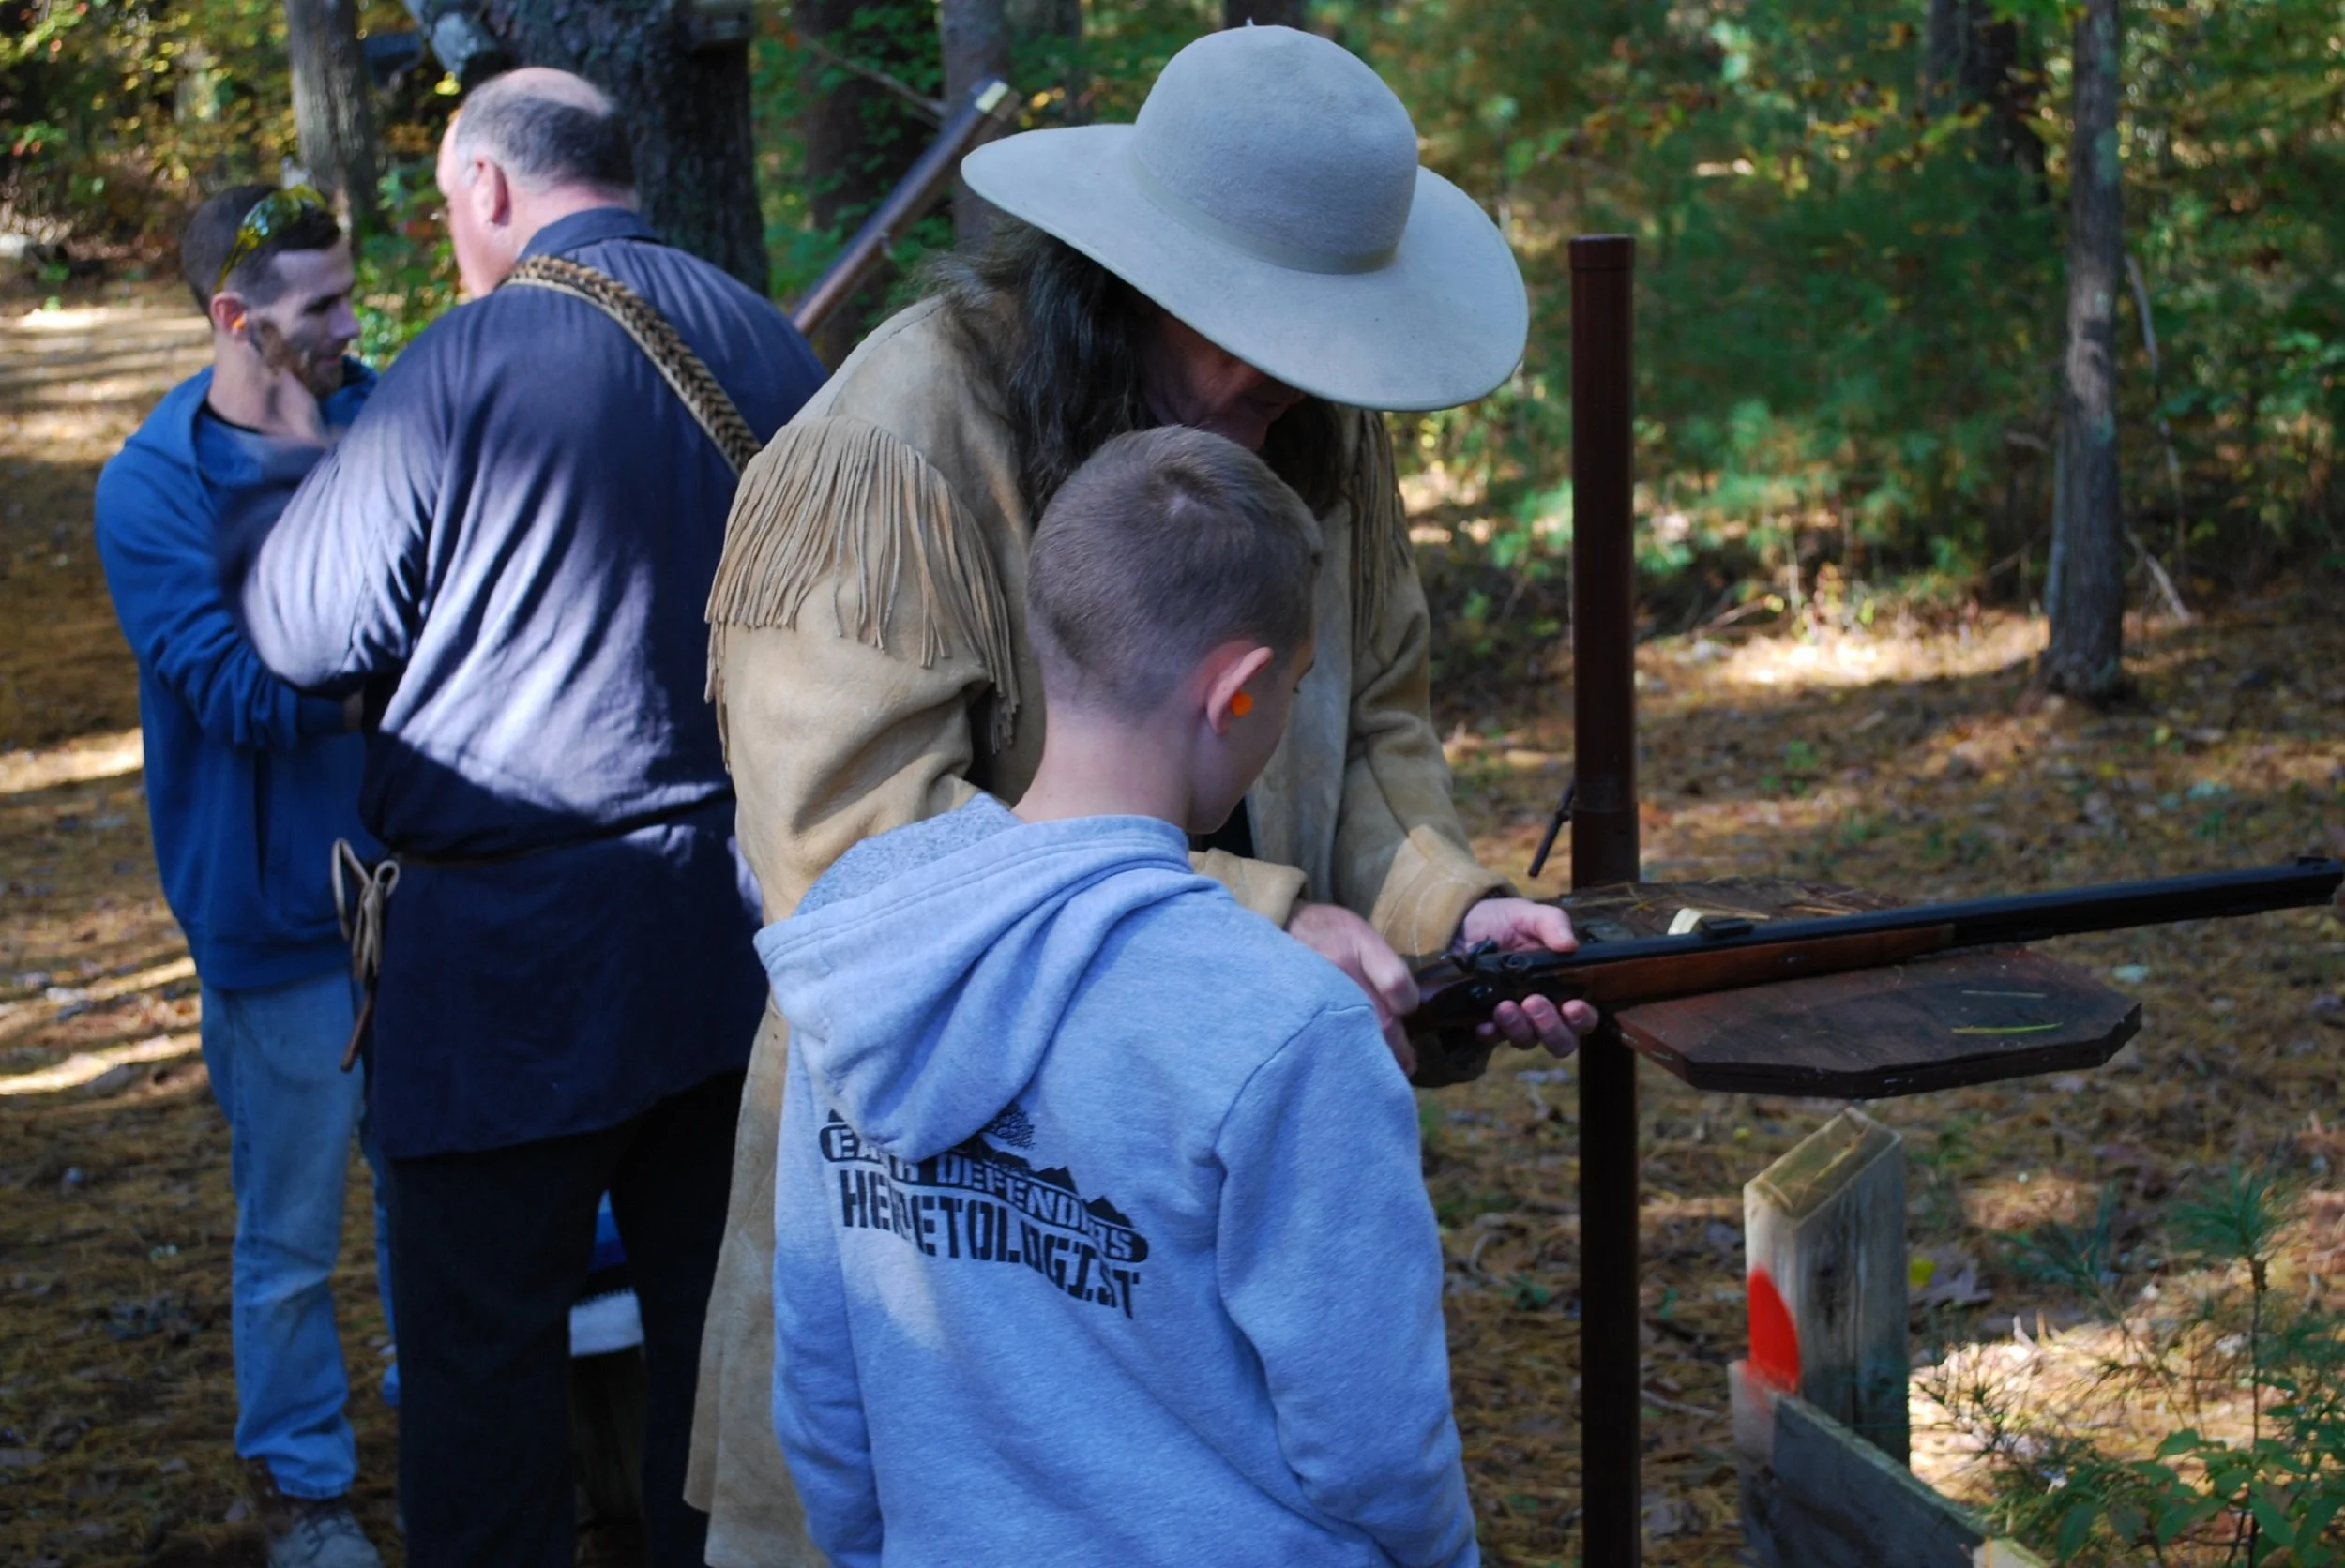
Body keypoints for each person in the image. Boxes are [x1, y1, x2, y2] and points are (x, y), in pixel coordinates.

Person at [692, 23, 1597, 1562]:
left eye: (1312, 346)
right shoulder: (889, 446)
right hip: (946, 1247)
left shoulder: (1307, 411)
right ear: (1124, 279)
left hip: (1203, 1211)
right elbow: (842, 865)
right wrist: (1244, 934)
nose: (1275, 388)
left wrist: (1448, 907)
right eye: (1242, 337)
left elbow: (1371, 719)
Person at [234, 68, 827, 1567]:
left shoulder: (463, 361)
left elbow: (302, 631)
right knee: (720, 1368)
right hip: (740, 940)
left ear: (491, 189)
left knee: (483, 1383)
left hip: (503, 981)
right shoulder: (774, 343)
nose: (449, 238)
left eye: (445, 207)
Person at [762, 426, 1478, 1566]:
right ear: (1239, 693)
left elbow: (820, 1380)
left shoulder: (861, 953)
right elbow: (1376, 1447)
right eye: (1289, 690)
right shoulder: (1289, 1026)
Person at [93, 185, 395, 1568]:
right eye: (320, 306)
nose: (352, 324)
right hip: (275, 923)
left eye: (350, 291)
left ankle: (445, 1405)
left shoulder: (391, 412)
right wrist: (409, 673)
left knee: (435, 1186)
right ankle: (305, 1485)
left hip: (429, 886)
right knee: (288, 1233)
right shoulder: (153, 486)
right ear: (235, 318)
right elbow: (235, 689)